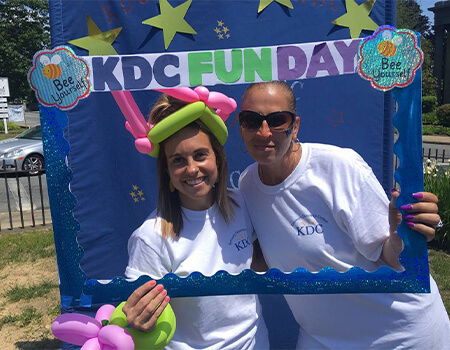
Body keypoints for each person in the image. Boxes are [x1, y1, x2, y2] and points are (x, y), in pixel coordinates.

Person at [238, 81, 450, 349]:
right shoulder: (247, 185)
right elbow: (263, 259)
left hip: (399, 334)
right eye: (251, 120)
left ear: (296, 126)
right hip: (320, 338)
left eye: (278, 120)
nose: (264, 131)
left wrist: (404, 235)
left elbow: (391, 256)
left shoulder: (339, 167)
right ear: (241, 126)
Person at [122, 88, 269, 349]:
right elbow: (137, 319)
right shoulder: (150, 238)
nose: (192, 169)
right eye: (178, 160)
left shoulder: (243, 204)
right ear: (166, 170)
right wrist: (135, 321)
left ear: (218, 159)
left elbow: (259, 259)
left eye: (200, 155)